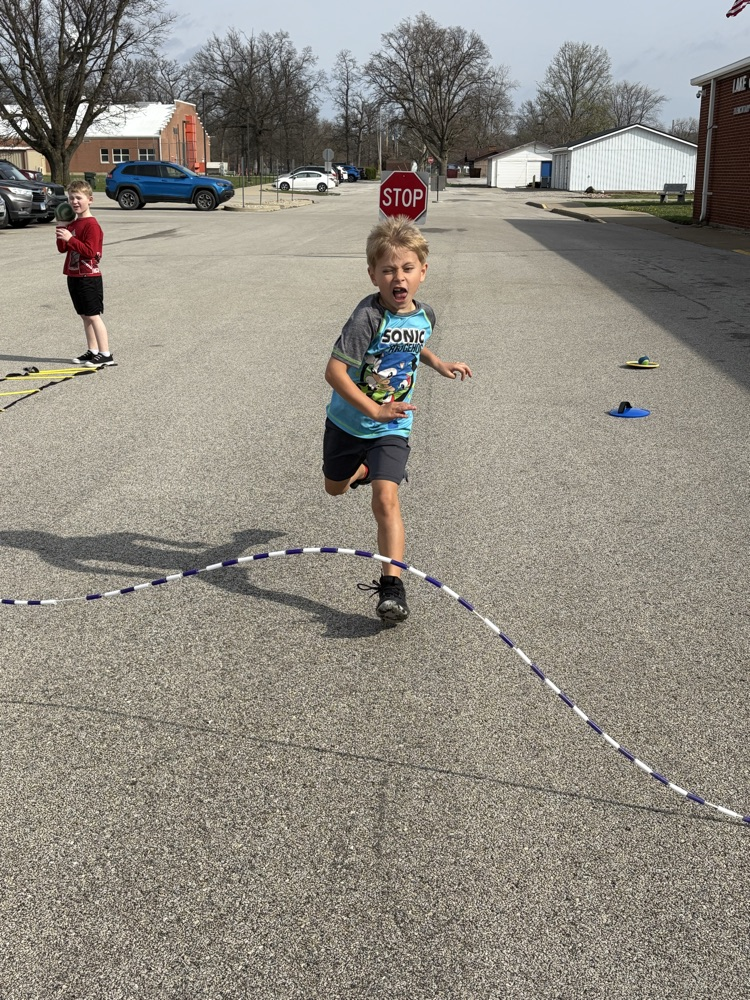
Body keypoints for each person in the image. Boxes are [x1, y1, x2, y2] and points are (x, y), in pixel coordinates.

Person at [323, 214, 472, 624]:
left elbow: (414, 345)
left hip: (393, 425)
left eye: (407, 268)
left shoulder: (425, 315)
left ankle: (392, 588)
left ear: (423, 271)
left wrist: (439, 363)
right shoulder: (367, 319)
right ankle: (362, 469)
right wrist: (373, 409)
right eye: (388, 270)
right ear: (373, 274)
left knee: (386, 498)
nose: (398, 277)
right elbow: (334, 372)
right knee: (334, 489)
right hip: (349, 423)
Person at [55, 180, 115, 367]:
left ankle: (106, 354)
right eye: (71, 198)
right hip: (73, 275)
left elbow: (90, 252)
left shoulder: (92, 225)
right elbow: (62, 248)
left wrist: (71, 239)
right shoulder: (72, 224)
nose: (74, 202)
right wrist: (61, 226)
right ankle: (93, 350)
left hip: (89, 277)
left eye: (78, 198)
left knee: (93, 315)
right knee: (84, 315)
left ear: (90, 200)